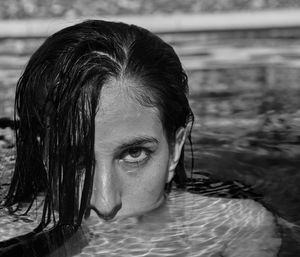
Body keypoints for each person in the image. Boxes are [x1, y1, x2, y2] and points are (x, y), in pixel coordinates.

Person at [0, 20, 281, 257]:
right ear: (45, 155)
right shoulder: (11, 231)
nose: (106, 203)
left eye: (135, 154)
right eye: (75, 159)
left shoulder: (233, 226)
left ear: (174, 150)